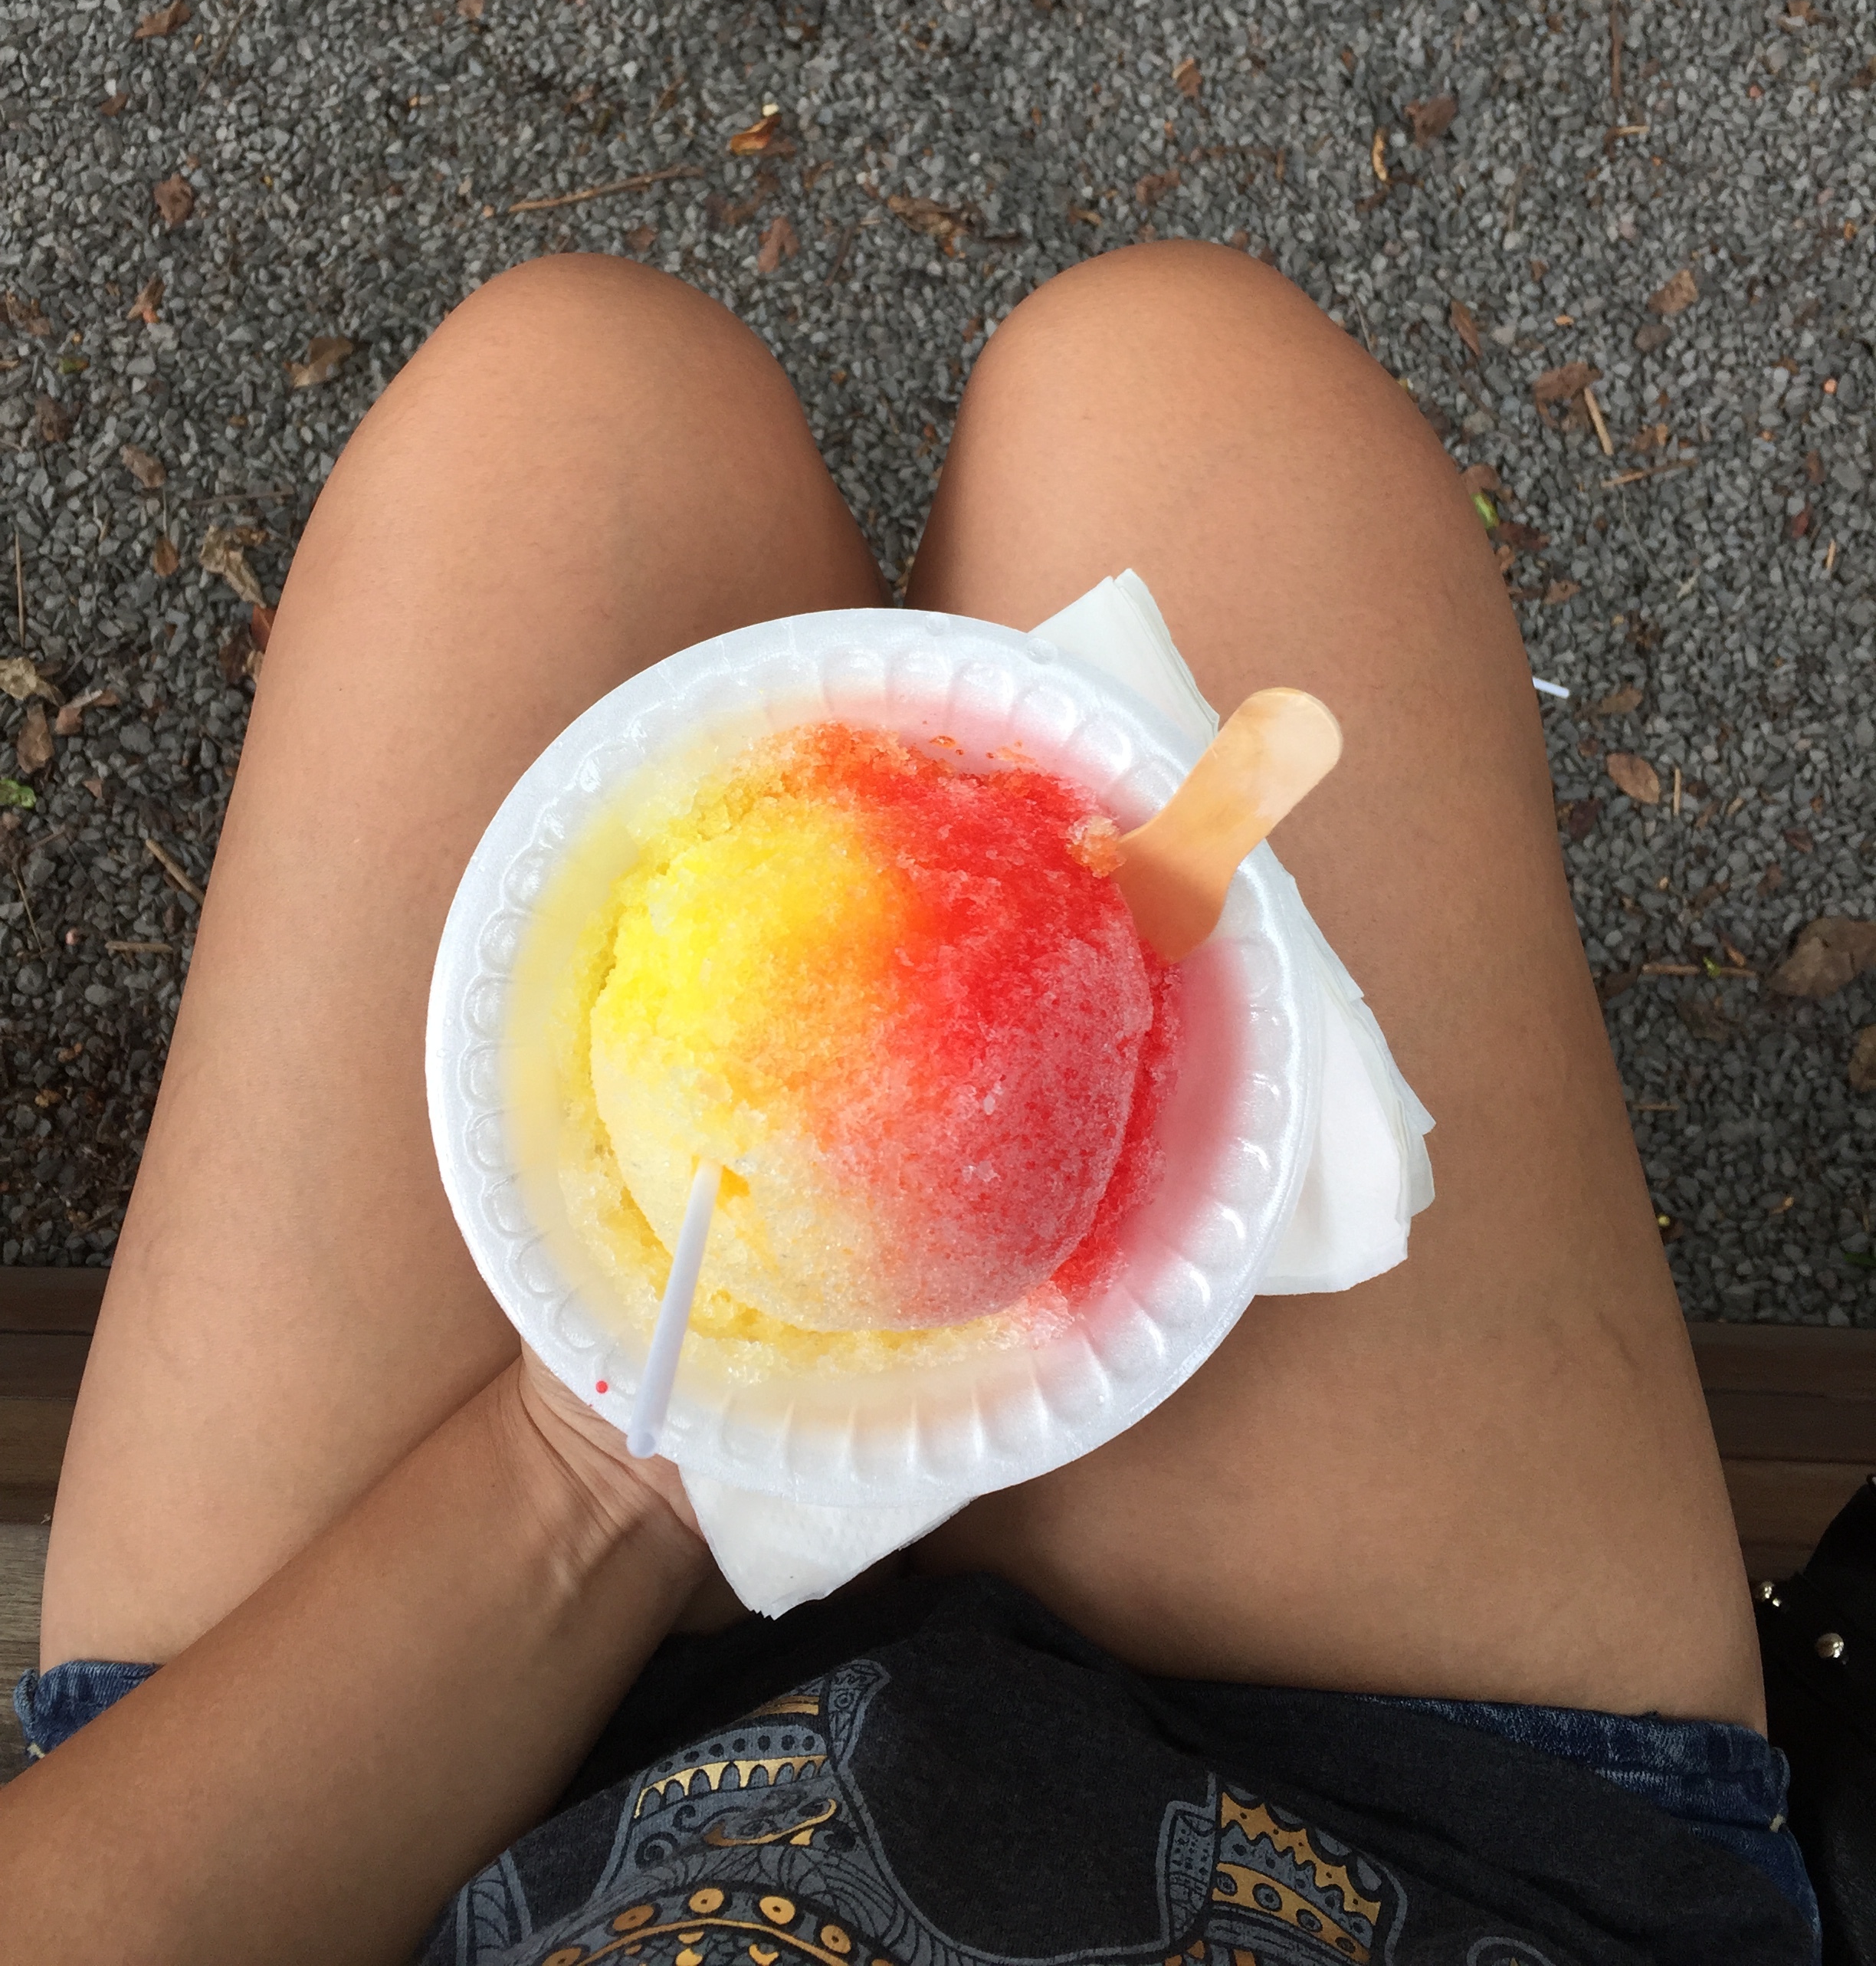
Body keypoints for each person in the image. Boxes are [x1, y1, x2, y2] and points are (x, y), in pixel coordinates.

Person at [2, 245, 1819, 1962]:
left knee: (576, 404)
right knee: (1178, 383)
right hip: (1407, 1841)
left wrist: (590, 1474)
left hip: (344, 1829)